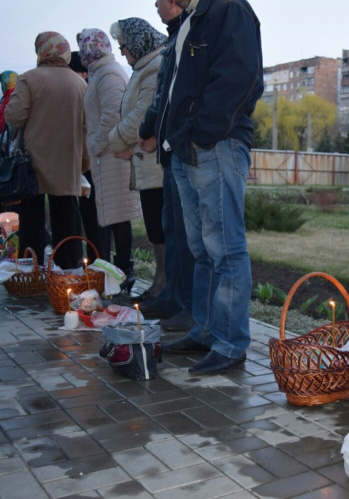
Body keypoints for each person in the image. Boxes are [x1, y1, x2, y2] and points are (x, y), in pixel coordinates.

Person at [157, 0, 263, 375]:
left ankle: (231, 344)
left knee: (226, 249)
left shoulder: (228, 8)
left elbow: (242, 76)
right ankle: (205, 331)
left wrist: (203, 133)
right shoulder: (191, 19)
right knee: (201, 248)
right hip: (187, 147)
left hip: (215, 143)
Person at [138, 0, 197, 332]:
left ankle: (186, 304)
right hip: (170, 144)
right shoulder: (176, 36)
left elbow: (168, 96)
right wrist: (151, 128)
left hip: (183, 142)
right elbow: (164, 96)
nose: (156, 4)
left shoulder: (190, 31)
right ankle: (174, 298)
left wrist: (149, 128)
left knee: (189, 235)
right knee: (174, 228)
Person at [4, 32, 85, 269]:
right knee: (67, 218)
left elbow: (14, 116)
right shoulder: (79, 82)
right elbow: (87, 125)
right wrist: (84, 162)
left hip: (33, 163)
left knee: (32, 221)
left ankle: (32, 272)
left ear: (42, 51)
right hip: (68, 161)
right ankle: (70, 270)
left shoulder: (29, 78)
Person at [108, 18, 168, 302]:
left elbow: (141, 116)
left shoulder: (154, 67)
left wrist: (115, 140)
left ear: (137, 42)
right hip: (146, 162)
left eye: (124, 46)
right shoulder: (142, 67)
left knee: (160, 228)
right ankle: (160, 284)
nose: (121, 52)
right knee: (155, 228)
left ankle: (163, 285)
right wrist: (128, 143)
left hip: (157, 166)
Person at [78, 28, 141, 293]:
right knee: (112, 216)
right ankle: (112, 273)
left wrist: (94, 144)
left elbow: (112, 115)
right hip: (107, 157)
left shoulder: (109, 74)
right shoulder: (101, 72)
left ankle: (124, 273)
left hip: (111, 156)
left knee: (118, 217)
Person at [68, 51, 106, 264]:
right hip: (90, 157)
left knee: (92, 215)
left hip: (89, 158)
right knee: (93, 216)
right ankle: (96, 261)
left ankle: (96, 261)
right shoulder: (89, 85)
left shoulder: (87, 88)